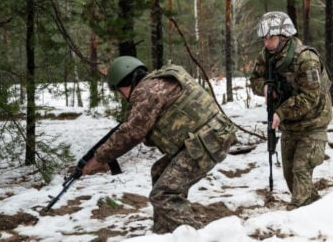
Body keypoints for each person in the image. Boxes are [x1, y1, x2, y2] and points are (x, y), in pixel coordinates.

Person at [81, 56, 237, 234]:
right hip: (209, 138)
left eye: (119, 90)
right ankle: (164, 233)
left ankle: (194, 236)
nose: (121, 95)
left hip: (206, 142)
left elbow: (131, 133)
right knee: (159, 171)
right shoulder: (158, 81)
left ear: (126, 83)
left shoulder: (147, 91)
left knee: (164, 194)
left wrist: (99, 158)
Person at [249, 11, 332, 210]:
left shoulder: (306, 58)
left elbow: (310, 98)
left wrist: (281, 112)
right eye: (265, 38)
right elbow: (255, 80)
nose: (268, 43)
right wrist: (266, 88)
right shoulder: (266, 56)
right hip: (290, 125)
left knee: (300, 170)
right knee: (290, 176)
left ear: (285, 37)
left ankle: (295, 218)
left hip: (313, 123)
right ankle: (320, 210)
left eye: (272, 38)